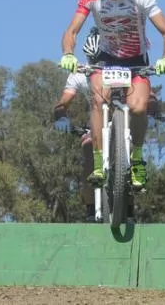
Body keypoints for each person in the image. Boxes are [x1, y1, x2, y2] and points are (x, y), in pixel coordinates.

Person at [59, 0, 165, 190]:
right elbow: (72, 30)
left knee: (138, 108)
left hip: (136, 60)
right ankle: (99, 162)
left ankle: (136, 158)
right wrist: (68, 53)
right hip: (106, 58)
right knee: (98, 99)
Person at [52, 28, 101, 222]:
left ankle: (129, 209)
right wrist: (61, 116)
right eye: (92, 61)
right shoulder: (81, 72)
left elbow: (146, 95)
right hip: (95, 125)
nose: (96, 67)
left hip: (120, 122)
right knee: (87, 147)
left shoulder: (120, 68)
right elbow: (62, 103)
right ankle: (90, 209)